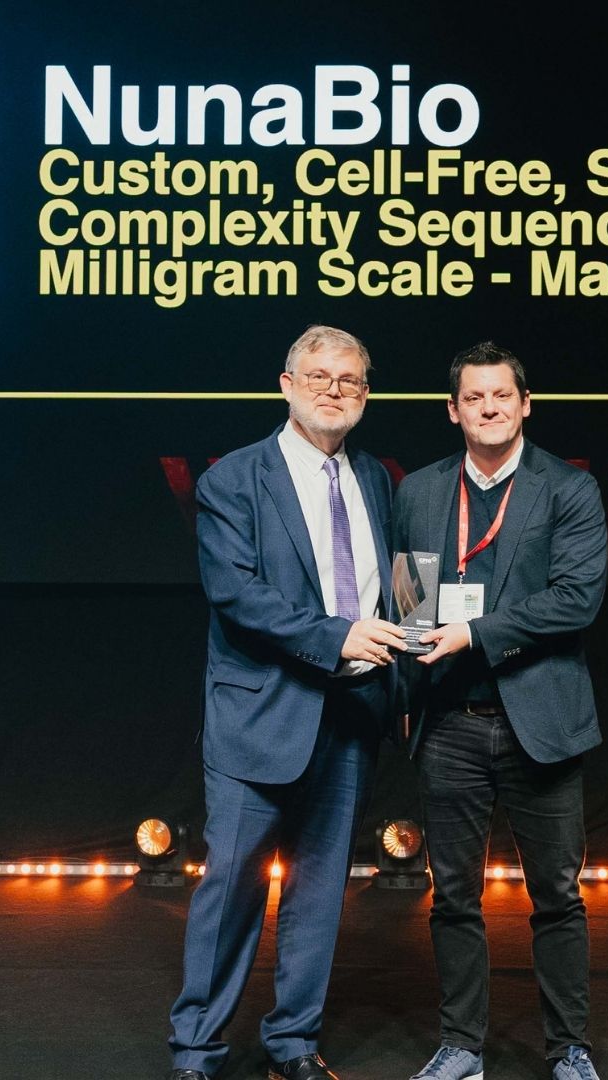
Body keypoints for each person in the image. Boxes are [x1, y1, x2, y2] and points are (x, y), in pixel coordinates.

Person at [167, 325, 407, 1080]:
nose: (335, 390)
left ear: (365, 394)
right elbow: (237, 594)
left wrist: (411, 648)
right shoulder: (234, 480)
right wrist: (338, 637)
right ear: (286, 385)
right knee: (231, 887)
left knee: (320, 894)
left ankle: (294, 1045)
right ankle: (196, 1052)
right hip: (261, 715)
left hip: (353, 714)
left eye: (350, 380)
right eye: (319, 376)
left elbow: (396, 583)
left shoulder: (377, 480)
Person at [393, 341, 608, 1080]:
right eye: (474, 398)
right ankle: (462, 1047)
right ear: (453, 411)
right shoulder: (420, 492)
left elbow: (575, 601)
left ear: (525, 404)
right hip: (449, 725)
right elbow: (412, 602)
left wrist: (474, 634)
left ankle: (569, 1049)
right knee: (453, 896)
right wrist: (407, 662)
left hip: (539, 724)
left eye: (502, 395)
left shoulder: (568, 489)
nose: (489, 408)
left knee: (557, 897)